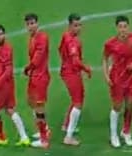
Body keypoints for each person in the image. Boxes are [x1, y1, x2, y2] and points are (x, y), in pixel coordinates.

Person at [0, 23, 31, 147]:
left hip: (3, 86)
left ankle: (1, 137)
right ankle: (24, 137)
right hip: (7, 85)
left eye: (0, 34)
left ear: (4, 35)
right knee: (10, 110)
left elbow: (8, 70)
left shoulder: (5, 49)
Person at [104, 15, 132, 148]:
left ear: (128, 26)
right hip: (117, 78)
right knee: (117, 106)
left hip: (130, 78)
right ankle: (113, 135)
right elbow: (104, 59)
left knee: (130, 105)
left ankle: (126, 131)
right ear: (117, 28)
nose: (123, 29)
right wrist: (106, 76)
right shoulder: (110, 43)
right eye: (120, 27)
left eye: (125, 26)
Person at [58, 14, 93, 146]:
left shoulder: (65, 36)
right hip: (71, 73)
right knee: (78, 102)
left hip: (67, 70)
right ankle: (69, 136)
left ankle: (66, 124)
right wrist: (86, 68)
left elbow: (60, 50)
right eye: (75, 25)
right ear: (69, 25)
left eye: (80, 25)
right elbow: (75, 61)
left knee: (76, 99)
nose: (78, 28)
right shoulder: (72, 41)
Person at [23, 13, 52, 148]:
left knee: (39, 106)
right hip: (34, 75)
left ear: (37, 23)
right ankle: (44, 129)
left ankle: (44, 139)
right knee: (30, 101)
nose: (31, 26)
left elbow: (37, 59)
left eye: (33, 23)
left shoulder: (42, 37)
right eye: (28, 24)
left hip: (40, 76)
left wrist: (27, 68)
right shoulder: (32, 38)